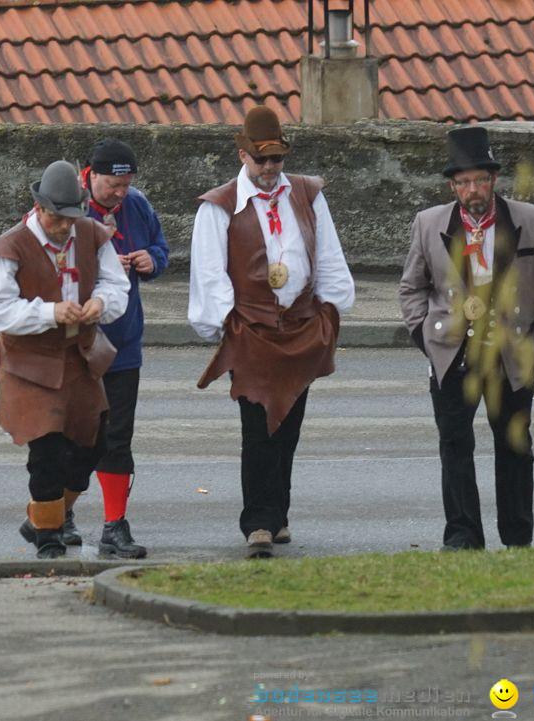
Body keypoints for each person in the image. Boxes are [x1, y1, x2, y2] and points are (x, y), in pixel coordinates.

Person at [188, 105, 355, 558]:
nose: (269, 168)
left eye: (276, 159)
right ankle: (258, 523)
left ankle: (278, 514)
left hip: (301, 328)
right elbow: (209, 273)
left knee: (290, 427)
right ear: (242, 156)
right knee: (258, 427)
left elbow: (328, 257)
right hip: (252, 332)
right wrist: (229, 325)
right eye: (260, 160)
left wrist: (329, 312)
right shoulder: (220, 207)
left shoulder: (307, 194)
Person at [398, 125, 534, 551]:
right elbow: (411, 287)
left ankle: (517, 538)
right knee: (454, 445)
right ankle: (462, 536)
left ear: (494, 180)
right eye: (463, 182)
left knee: (515, 447)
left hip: (513, 355)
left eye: (479, 180)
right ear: (452, 185)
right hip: (452, 353)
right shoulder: (428, 223)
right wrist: (424, 334)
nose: (472, 190)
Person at [0, 160, 129, 559]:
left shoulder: (92, 234)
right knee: (46, 448)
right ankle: (48, 537)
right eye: (57, 217)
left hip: (80, 356)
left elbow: (116, 283)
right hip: (29, 361)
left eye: (71, 217)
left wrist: (101, 302)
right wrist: (49, 313)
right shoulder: (8, 246)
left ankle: (44, 518)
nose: (65, 226)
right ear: (39, 208)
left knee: (92, 443)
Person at [79, 139, 169, 559]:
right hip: (75, 342)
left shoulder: (137, 204)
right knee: (71, 434)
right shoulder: (66, 208)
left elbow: (161, 248)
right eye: (114, 185)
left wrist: (151, 261)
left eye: (126, 184)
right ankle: (55, 517)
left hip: (124, 341)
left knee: (117, 437)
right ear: (91, 175)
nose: (121, 193)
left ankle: (115, 525)